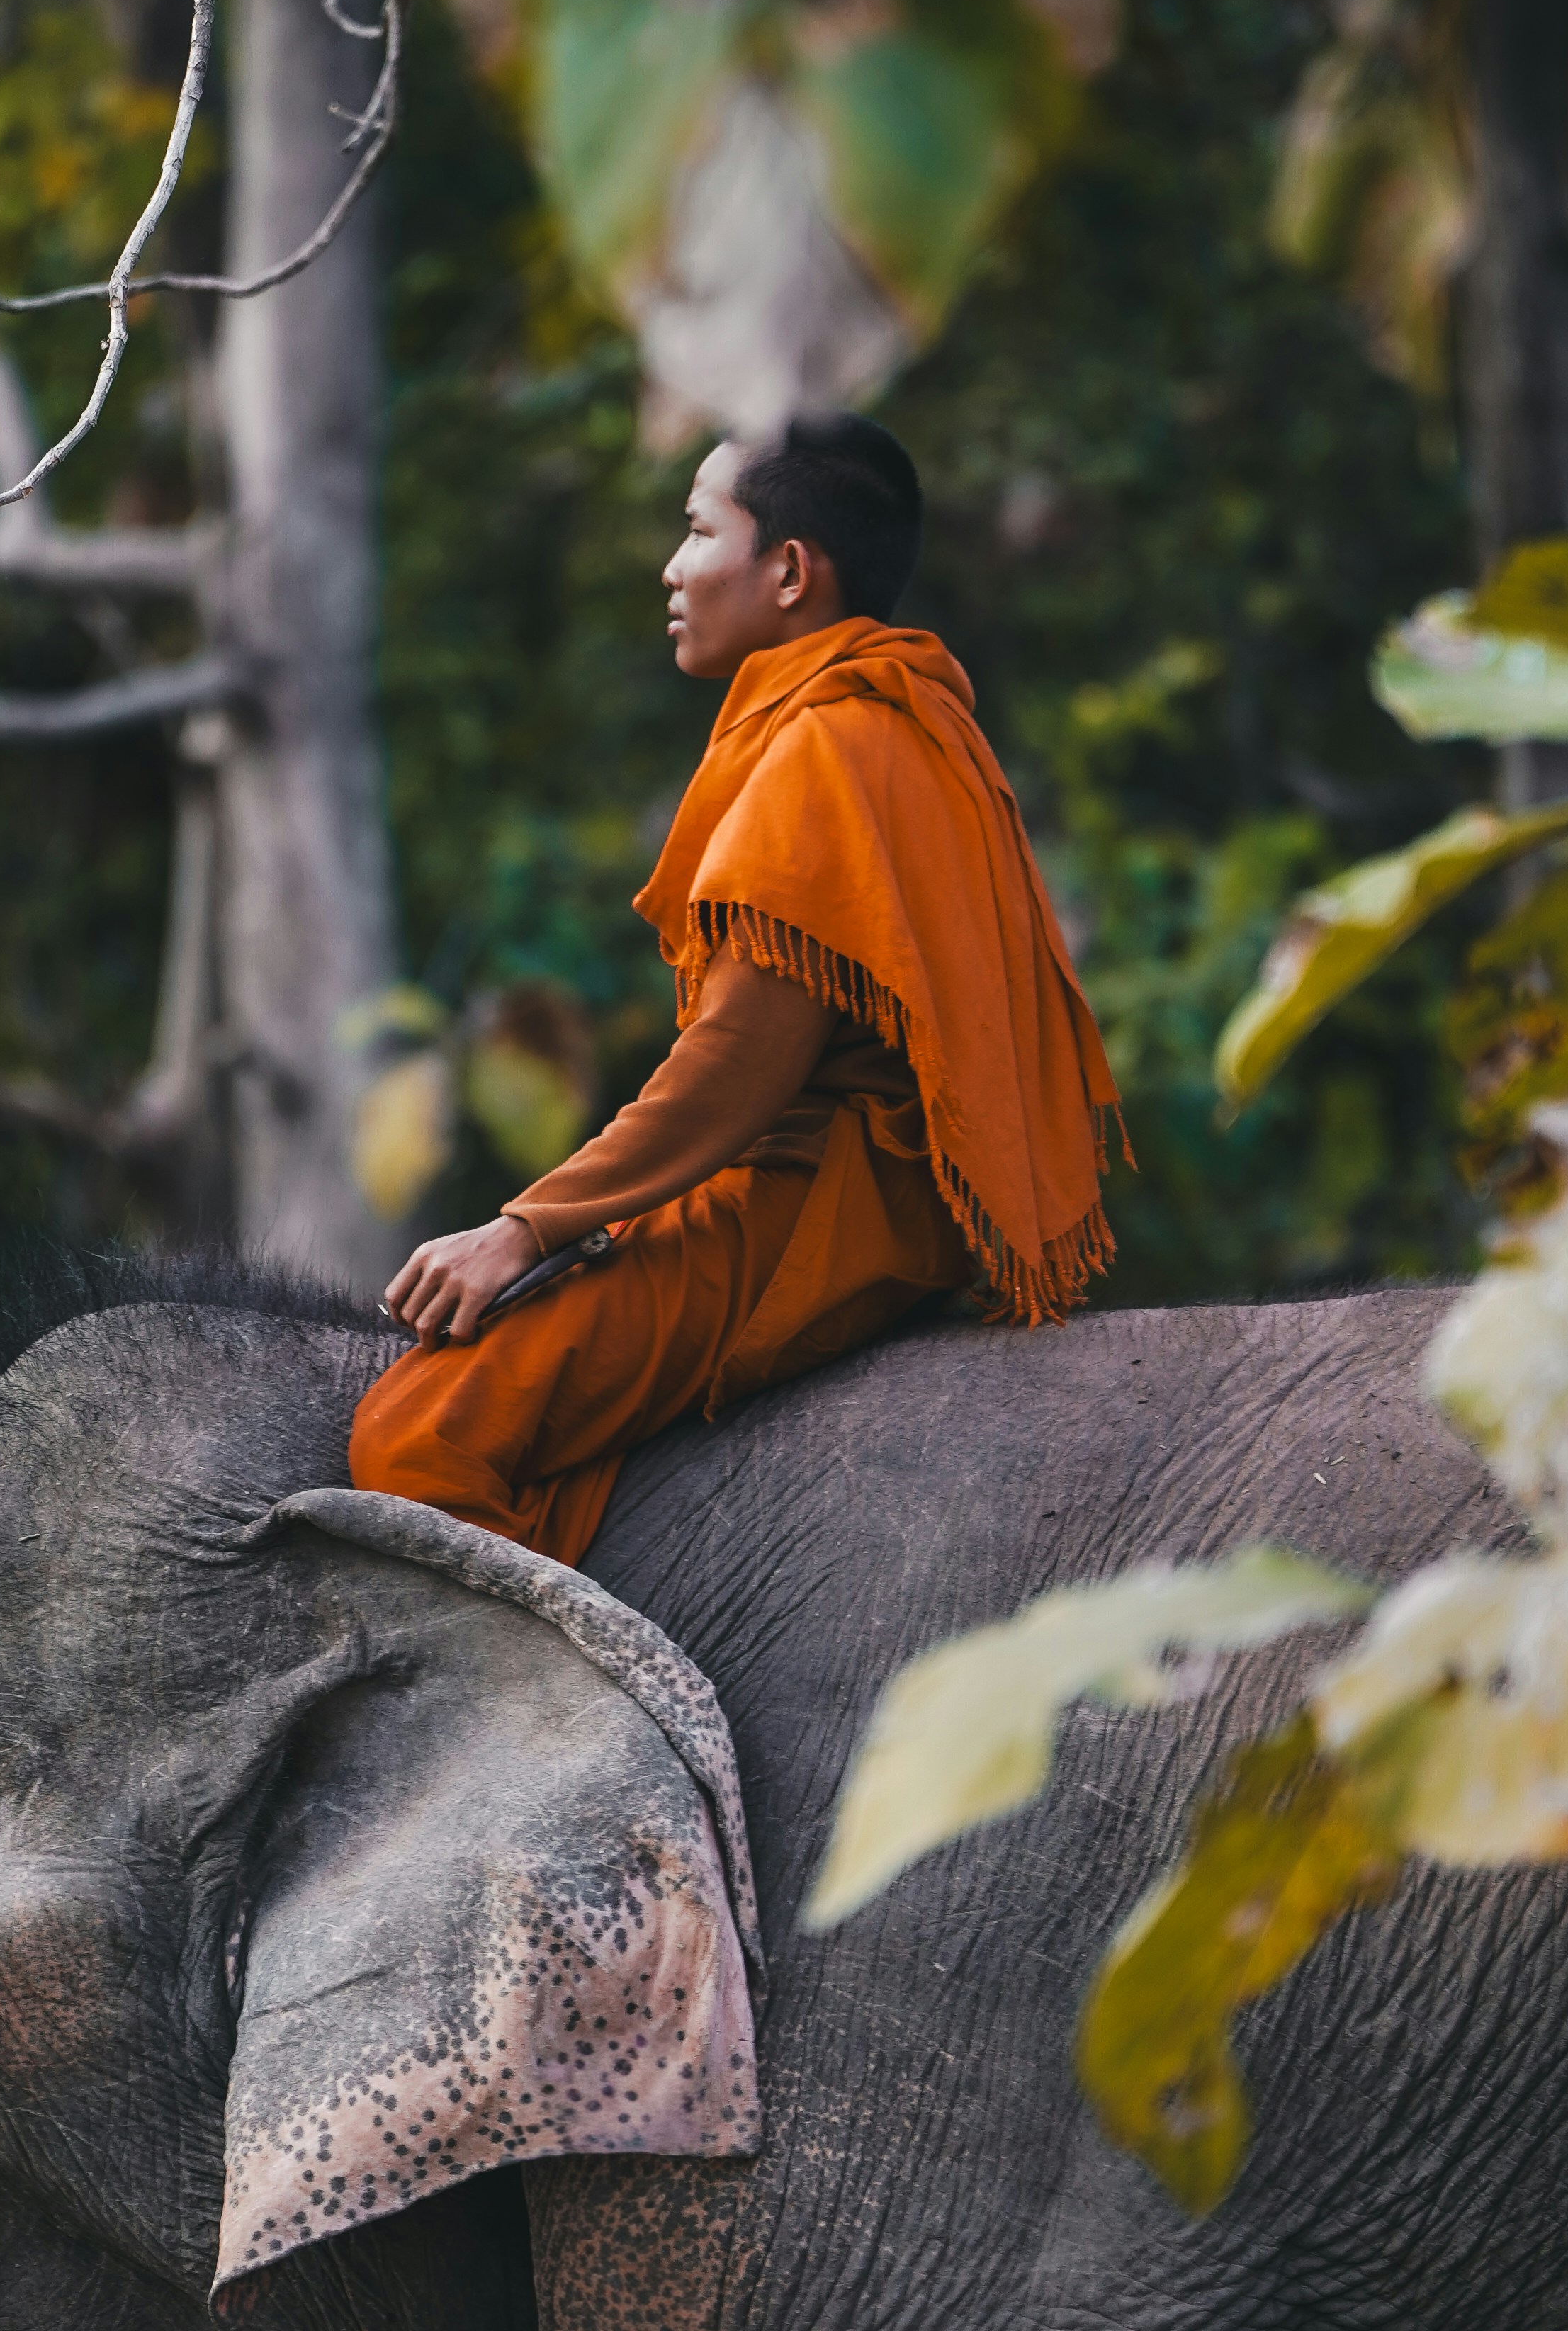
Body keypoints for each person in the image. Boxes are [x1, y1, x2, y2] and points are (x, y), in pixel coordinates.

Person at [346, 412, 1124, 1565]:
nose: (672, 567)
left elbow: (735, 1074)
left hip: (823, 1204)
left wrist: (525, 1229)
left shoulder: (829, 743)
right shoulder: (904, 714)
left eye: (700, 529)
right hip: (890, 1197)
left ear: (791, 572)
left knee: (416, 1436)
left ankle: (600, 1738)